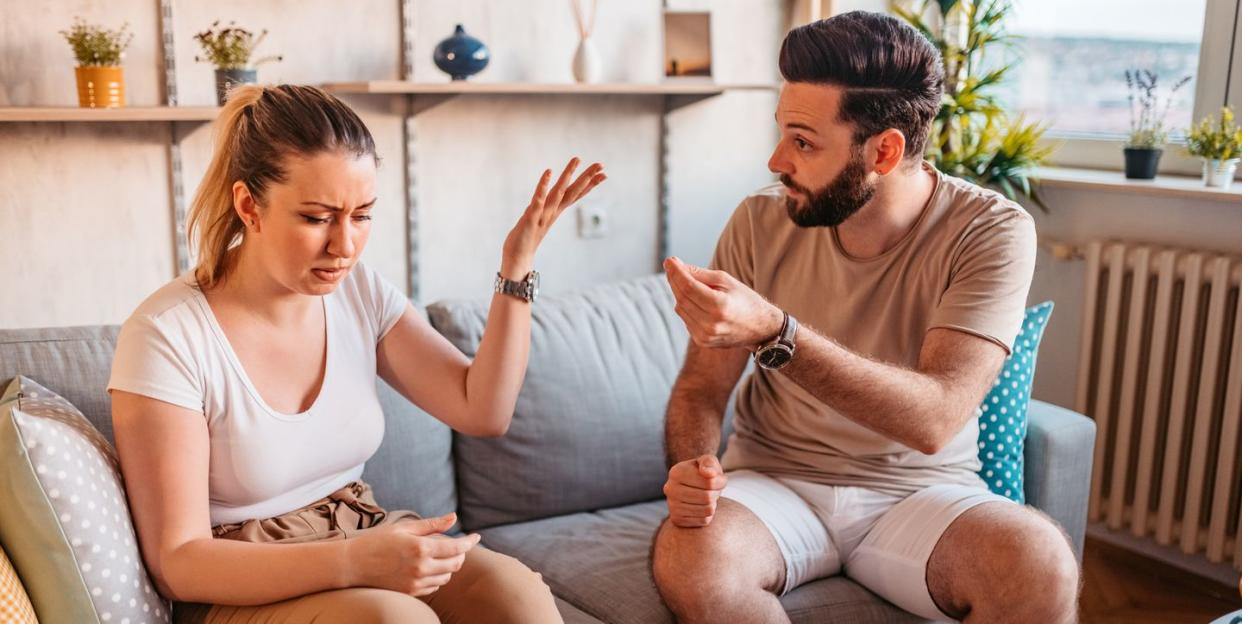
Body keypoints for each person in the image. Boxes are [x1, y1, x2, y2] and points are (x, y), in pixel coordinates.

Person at [108, 84, 605, 623]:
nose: (343, 246)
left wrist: (516, 266)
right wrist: (353, 561)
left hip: (358, 533)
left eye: (362, 215)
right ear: (249, 205)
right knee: (395, 620)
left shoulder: (358, 290)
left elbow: (481, 410)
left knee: (515, 593)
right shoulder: (166, 335)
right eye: (317, 218)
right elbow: (177, 562)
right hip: (239, 582)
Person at [651, 11, 1078, 624]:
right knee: (691, 557)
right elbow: (700, 388)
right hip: (775, 482)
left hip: (922, 493)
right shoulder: (756, 222)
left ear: (883, 151)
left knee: (1041, 562)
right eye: (781, 133)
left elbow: (935, 417)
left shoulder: (991, 231)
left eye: (803, 141)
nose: (775, 160)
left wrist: (778, 333)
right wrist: (690, 468)